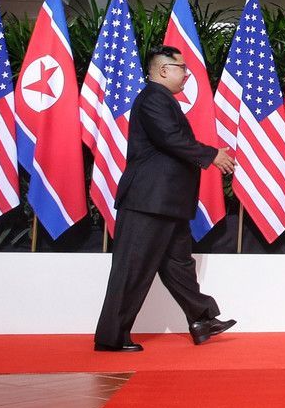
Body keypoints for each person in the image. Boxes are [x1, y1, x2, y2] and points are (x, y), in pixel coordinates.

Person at [94, 45, 237, 352]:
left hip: (168, 202)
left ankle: (201, 320)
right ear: (162, 70)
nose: (186, 74)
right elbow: (171, 139)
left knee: (179, 265)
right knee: (132, 268)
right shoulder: (152, 99)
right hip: (148, 202)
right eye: (181, 68)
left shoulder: (162, 100)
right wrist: (211, 155)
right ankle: (111, 337)